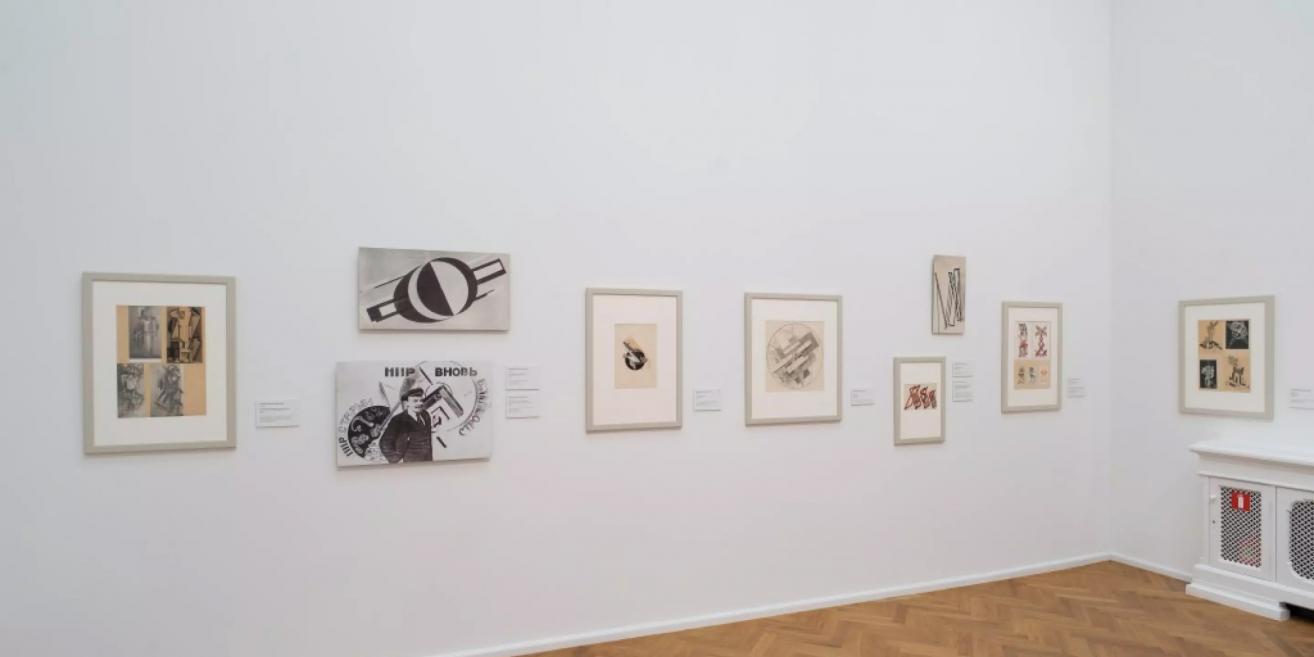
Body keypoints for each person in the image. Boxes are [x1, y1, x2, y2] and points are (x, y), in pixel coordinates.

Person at [380, 388, 433, 463]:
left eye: (421, 400)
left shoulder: (425, 415)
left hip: (427, 461)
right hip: (409, 463)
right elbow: (384, 442)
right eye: (415, 401)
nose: (419, 403)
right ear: (407, 403)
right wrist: (395, 460)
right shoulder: (398, 420)